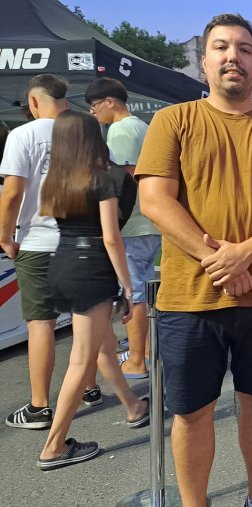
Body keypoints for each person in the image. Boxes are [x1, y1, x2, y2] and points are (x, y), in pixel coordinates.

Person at [135, 13, 252, 507]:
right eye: (220, 47)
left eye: (244, 49)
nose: (232, 56)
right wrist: (219, 260)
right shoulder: (173, 121)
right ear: (205, 61)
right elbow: (155, 200)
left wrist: (244, 256)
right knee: (192, 411)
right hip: (189, 298)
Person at [34, 110, 148, 470]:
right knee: (81, 359)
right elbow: (111, 237)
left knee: (103, 347)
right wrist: (127, 287)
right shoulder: (102, 179)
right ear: (93, 138)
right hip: (92, 268)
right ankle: (54, 445)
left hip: (62, 264)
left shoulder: (56, 180)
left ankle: (132, 406)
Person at [1, 74, 99, 429]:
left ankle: (39, 406)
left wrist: (6, 237)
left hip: (38, 242)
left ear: (32, 101)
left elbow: (12, 193)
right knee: (83, 319)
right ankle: (88, 386)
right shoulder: (85, 135)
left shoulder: (22, 135)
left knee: (41, 322)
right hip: (81, 240)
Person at [84, 77, 157, 379]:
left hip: (132, 224)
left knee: (134, 293)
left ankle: (138, 359)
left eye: (94, 105)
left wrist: (111, 221)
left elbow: (125, 179)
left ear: (110, 102)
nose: (92, 112)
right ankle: (147, 352)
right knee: (144, 291)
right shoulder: (140, 126)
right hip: (147, 222)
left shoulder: (121, 130)